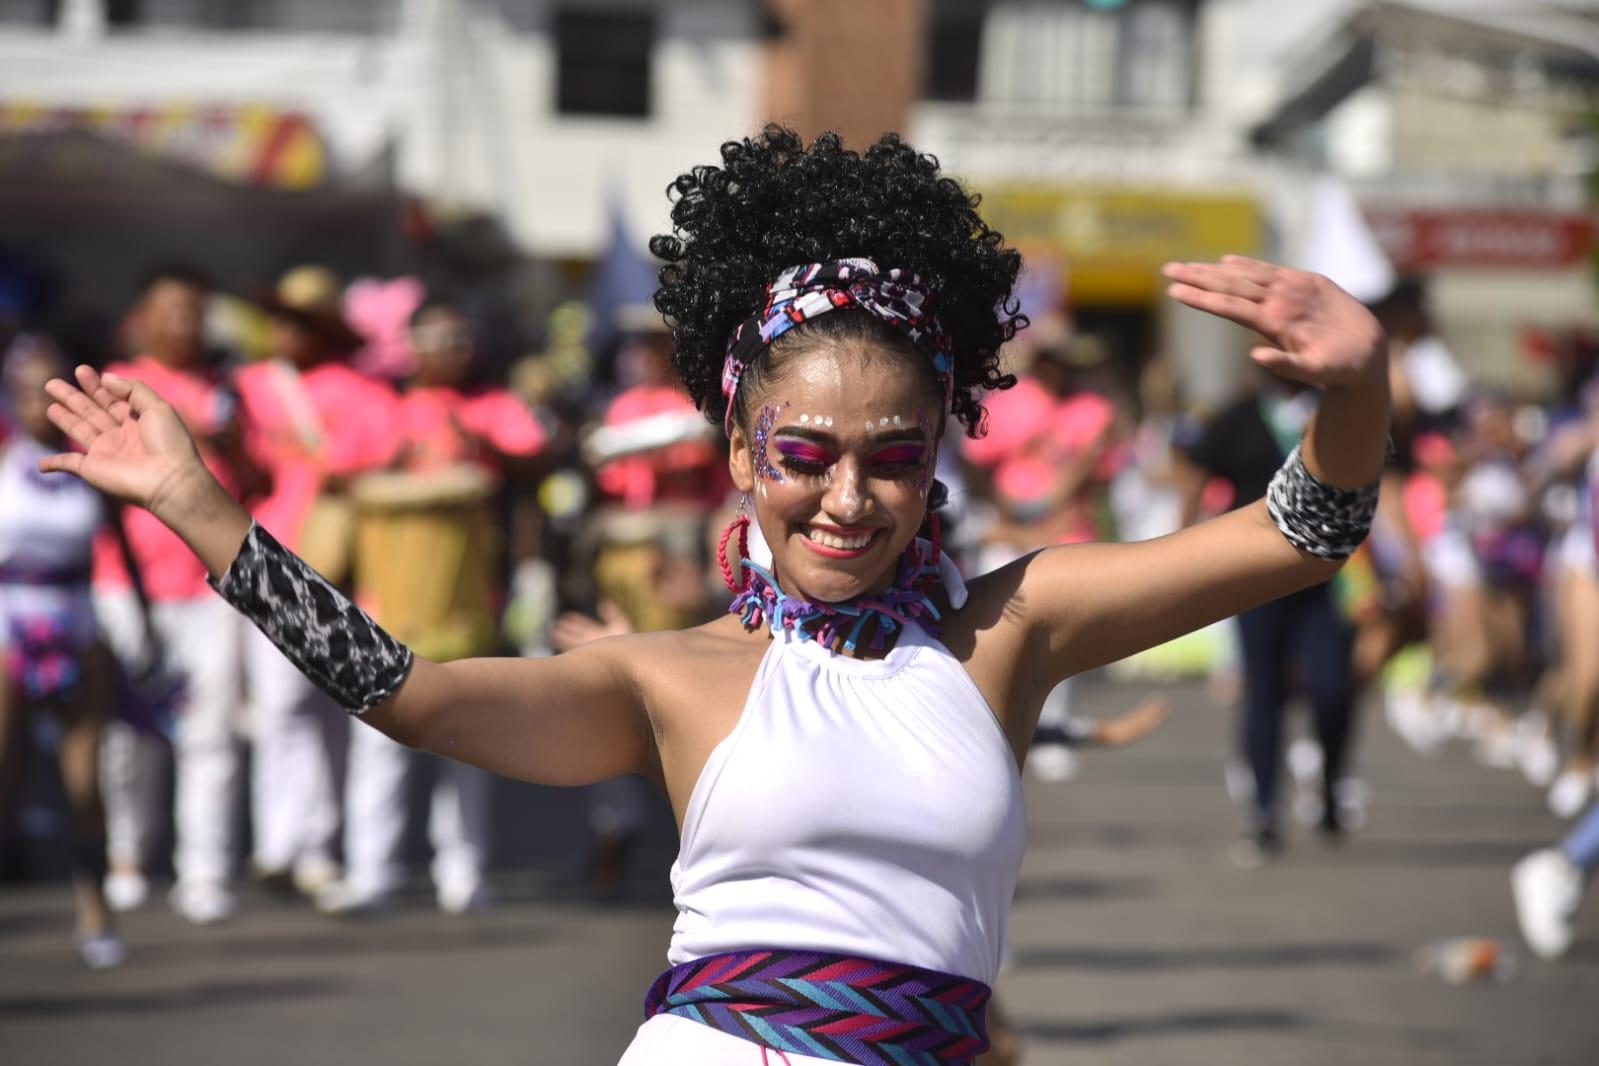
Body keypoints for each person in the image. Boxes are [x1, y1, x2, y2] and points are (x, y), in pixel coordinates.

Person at [39, 127, 1389, 1065]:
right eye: (802, 454)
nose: (844, 497)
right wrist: (206, 514)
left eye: (890, 458)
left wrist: (1355, 384)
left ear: (936, 462)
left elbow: (1298, 529)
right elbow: (417, 691)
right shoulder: (669, 677)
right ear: (743, 452)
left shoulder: (1006, 632)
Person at [317, 295, 546, 916]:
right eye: (438, 337)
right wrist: (391, 462)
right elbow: (334, 474)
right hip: (383, 601)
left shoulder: (490, 404)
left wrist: (479, 445)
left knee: (464, 741)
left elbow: (534, 459)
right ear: (412, 345)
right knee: (379, 740)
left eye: (459, 337)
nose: (451, 349)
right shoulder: (381, 407)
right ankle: (373, 871)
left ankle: (464, 873)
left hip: (468, 599)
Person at [91, 264, 259, 924]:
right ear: (142, 318)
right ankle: (126, 854)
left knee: (210, 733)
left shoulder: (228, 390)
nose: (185, 322)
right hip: (125, 586)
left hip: (212, 585)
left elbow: (256, 477)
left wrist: (230, 441)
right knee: (126, 733)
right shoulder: (111, 383)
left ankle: (206, 870)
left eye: (195, 310)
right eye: (171, 310)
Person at [234, 265, 399, 899]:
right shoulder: (247, 386)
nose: (281, 330)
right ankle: (281, 841)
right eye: (277, 317)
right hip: (265, 558)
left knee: (332, 706)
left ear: (324, 331)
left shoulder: (365, 393)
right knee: (278, 707)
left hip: (340, 563)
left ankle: (315, 845)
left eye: (297, 321)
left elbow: (381, 470)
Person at [1176, 372, 1364, 865]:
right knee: (1265, 692)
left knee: (1332, 687)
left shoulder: (1334, 411)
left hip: (1323, 576)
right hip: (1254, 576)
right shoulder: (1236, 418)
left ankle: (1329, 782)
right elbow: (1195, 473)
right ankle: (1262, 813)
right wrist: (1176, 549)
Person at [0, 338, 124, 968]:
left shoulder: (93, 467)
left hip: (75, 622)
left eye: (45, 391)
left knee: (85, 777)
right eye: (22, 390)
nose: (33, 404)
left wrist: (140, 635)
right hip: (6, 623)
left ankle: (95, 912)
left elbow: (122, 549)